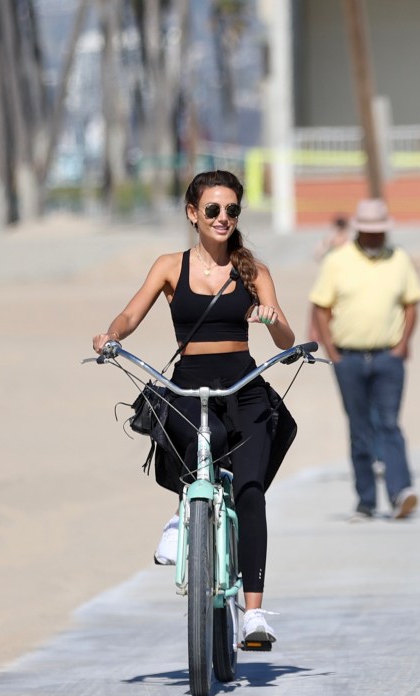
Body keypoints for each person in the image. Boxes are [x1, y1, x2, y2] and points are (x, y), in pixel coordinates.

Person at [92, 169, 295, 648]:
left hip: (243, 387)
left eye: (232, 210)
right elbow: (131, 312)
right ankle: (186, 508)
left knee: (249, 491)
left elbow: (286, 339)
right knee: (202, 446)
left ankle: (254, 615)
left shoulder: (254, 272)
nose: (223, 218)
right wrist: (111, 336)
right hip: (187, 385)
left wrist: (272, 319)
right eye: (213, 210)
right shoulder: (169, 266)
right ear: (192, 214)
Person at [309, 198, 420, 520]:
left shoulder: (399, 258)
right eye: (370, 232)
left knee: (388, 423)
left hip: (389, 357)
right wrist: (333, 353)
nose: (376, 238)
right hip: (349, 357)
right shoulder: (337, 260)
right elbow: (320, 306)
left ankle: (401, 490)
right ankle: (366, 500)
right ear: (360, 231)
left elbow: (411, 303)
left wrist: (402, 345)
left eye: (380, 232)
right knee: (359, 427)